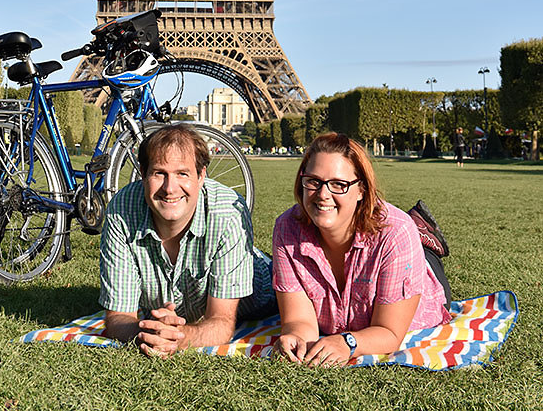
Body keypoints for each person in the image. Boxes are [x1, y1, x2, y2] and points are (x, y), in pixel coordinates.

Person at [272, 132, 452, 366]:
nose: (323, 194)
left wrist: (348, 342)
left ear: (361, 190)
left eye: (339, 184)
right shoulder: (287, 228)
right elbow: (299, 320)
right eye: (314, 181)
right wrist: (296, 339)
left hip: (419, 274)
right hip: (386, 241)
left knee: (409, 240)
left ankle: (423, 236)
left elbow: (389, 332)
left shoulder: (396, 233)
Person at [99, 124, 275, 357]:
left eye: (182, 173)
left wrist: (177, 339)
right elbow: (117, 318)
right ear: (143, 174)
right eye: (159, 173)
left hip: (262, 291)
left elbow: (221, 322)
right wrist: (149, 334)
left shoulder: (228, 212)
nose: (170, 188)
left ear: (201, 175)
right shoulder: (121, 210)